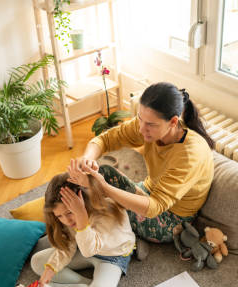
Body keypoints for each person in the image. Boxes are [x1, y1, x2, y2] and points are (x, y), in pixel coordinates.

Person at [75, 82, 215, 251]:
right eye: (140, 119)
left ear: (173, 122)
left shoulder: (190, 154)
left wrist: (105, 189)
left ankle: (122, 243)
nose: (142, 129)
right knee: (101, 175)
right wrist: (87, 158)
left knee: (99, 194)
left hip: (170, 220)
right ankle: (81, 220)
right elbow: (105, 139)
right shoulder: (150, 124)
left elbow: (155, 207)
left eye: (150, 124)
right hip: (148, 191)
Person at [30, 172, 135, 287]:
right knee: (37, 262)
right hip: (84, 247)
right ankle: (86, 286)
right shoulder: (69, 219)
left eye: (69, 213)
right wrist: (50, 269)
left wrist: (81, 217)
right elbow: (68, 246)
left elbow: (88, 250)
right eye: (59, 216)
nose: (66, 220)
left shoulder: (107, 212)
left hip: (112, 256)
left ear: (84, 201)